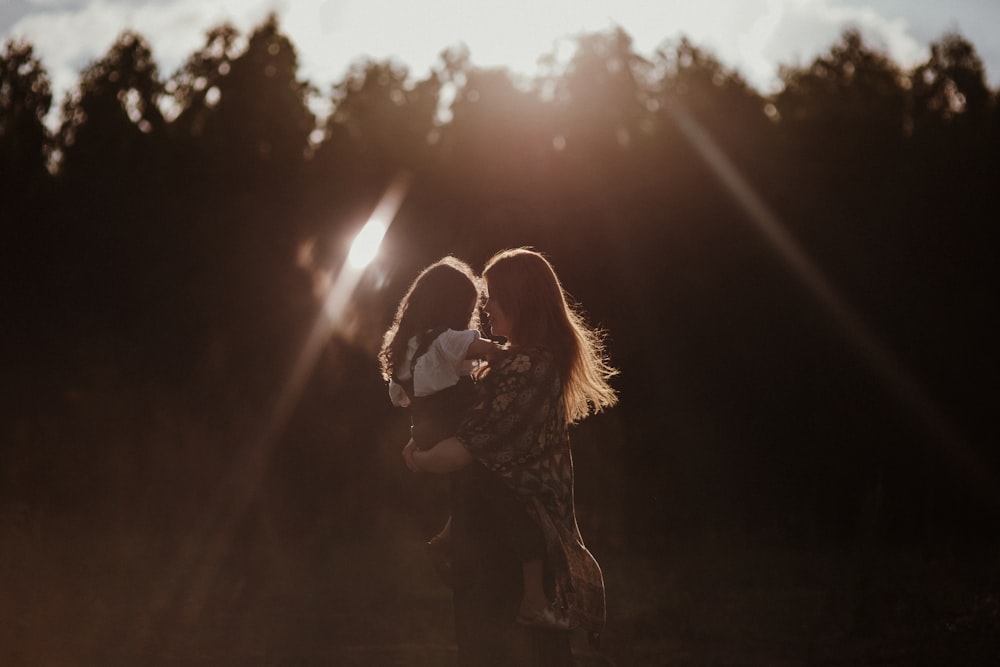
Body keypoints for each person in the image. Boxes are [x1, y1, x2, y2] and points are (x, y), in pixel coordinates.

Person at [403, 248, 618, 665]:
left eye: (495, 297)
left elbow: (465, 450)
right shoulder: (514, 363)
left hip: (503, 552)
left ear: (522, 300)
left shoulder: (527, 368)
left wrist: (418, 458)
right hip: (492, 544)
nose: (486, 308)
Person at [379, 256, 566, 630]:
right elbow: (492, 355)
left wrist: (418, 446)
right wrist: (502, 354)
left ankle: (448, 538)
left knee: (475, 493)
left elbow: (399, 396)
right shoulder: (452, 341)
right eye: (478, 302)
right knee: (512, 511)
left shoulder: (408, 347)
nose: (483, 309)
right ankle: (533, 599)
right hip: (455, 436)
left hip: (428, 430)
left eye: (491, 298)